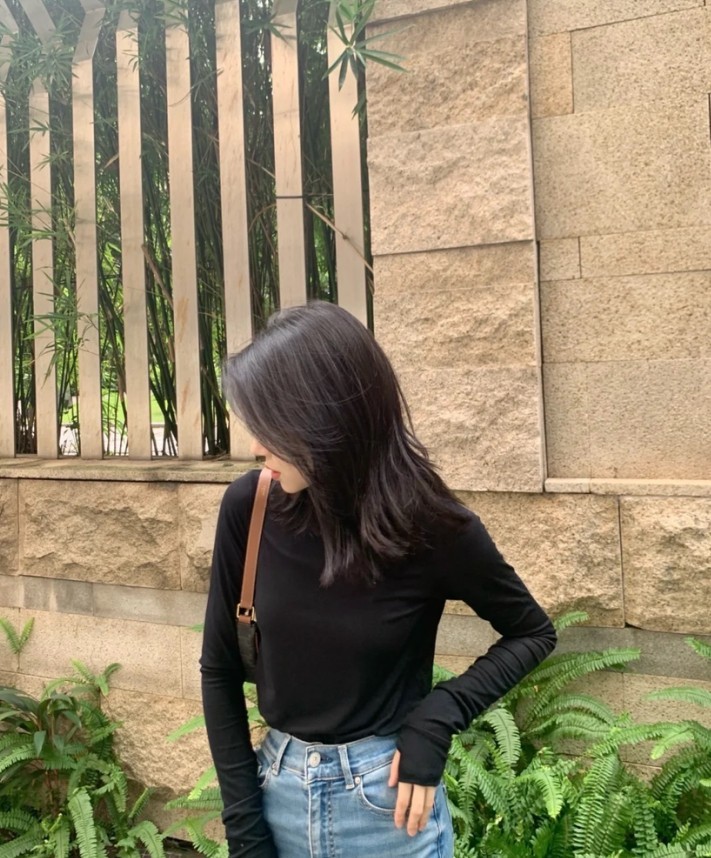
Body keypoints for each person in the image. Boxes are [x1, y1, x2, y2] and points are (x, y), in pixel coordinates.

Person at [200, 301, 557, 858]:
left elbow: (532, 632)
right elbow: (220, 670)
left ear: (325, 422)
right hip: (276, 799)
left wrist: (438, 717)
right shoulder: (251, 506)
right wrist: (246, 832)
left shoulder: (433, 527)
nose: (256, 446)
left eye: (271, 426)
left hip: (388, 813)